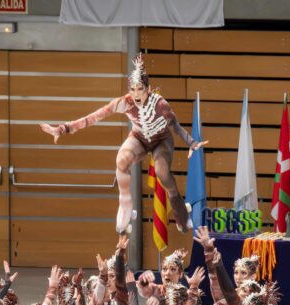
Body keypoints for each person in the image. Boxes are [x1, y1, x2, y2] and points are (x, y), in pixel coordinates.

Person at [39, 54, 208, 234]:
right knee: (121, 159)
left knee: (162, 173)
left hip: (161, 141)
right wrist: (64, 128)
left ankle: (180, 210)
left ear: (148, 89)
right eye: (133, 89)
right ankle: (125, 204)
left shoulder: (160, 104)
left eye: (140, 89)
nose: (136, 94)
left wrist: (191, 142)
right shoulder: (125, 102)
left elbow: (175, 126)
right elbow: (94, 117)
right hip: (139, 138)